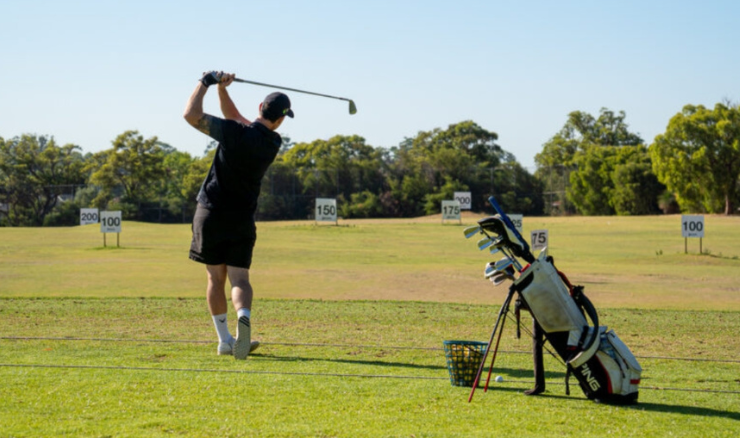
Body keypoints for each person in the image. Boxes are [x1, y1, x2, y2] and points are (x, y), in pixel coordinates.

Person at [183, 71, 294, 360]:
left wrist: (206, 81)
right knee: (240, 280)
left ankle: (224, 340)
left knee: (214, 278)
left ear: (259, 107)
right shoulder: (272, 142)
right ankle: (242, 316)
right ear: (280, 119)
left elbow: (190, 115)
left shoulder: (232, 132)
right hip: (241, 219)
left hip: (211, 213)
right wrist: (223, 90)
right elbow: (237, 118)